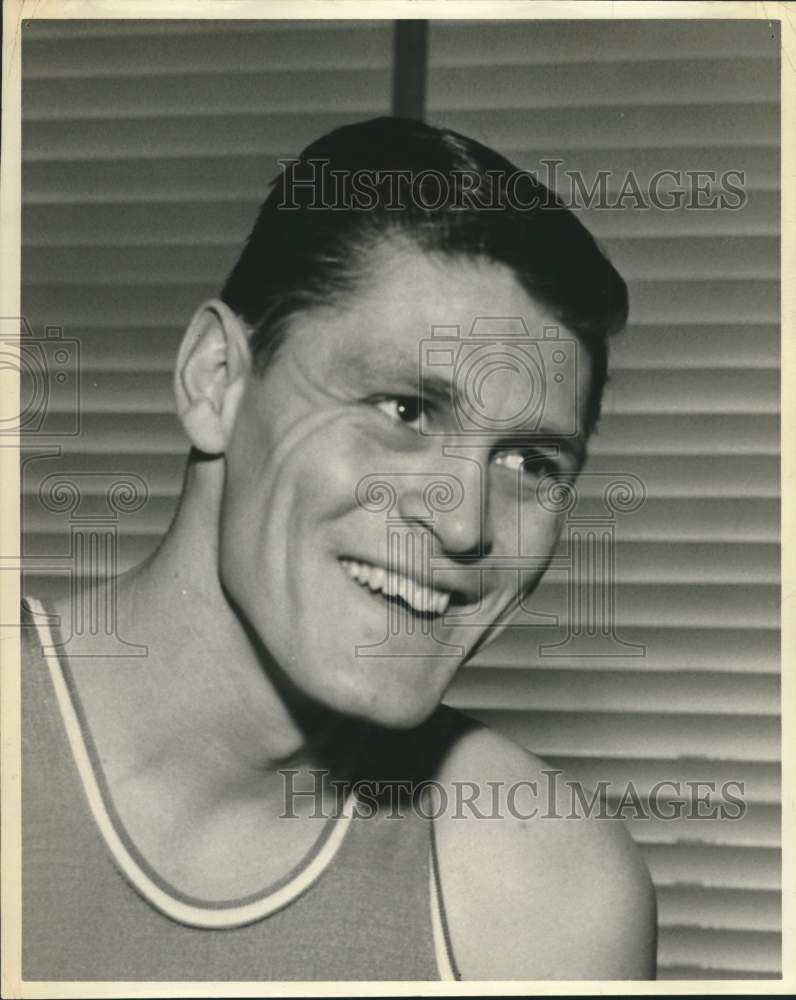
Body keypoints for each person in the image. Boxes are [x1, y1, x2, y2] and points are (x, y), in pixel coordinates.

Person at [21, 116, 657, 981]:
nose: (465, 524)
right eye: (404, 410)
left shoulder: (546, 890)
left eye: (528, 460)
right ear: (217, 382)